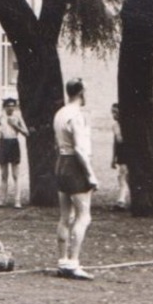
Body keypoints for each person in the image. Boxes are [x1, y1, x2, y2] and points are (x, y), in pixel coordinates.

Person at [52, 78, 100, 280]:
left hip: (61, 162)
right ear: (81, 92)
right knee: (83, 216)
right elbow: (80, 148)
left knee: (65, 216)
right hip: (74, 165)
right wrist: (90, 174)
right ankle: (73, 262)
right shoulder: (76, 115)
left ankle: (63, 260)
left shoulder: (60, 113)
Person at [0, 95, 29, 208]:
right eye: (8, 106)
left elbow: (26, 133)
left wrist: (15, 126)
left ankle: (17, 200)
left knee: (15, 174)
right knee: (4, 174)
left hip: (13, 143)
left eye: (13, 106)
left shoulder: (17, 117)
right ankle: (2, 200)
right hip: (3, 144)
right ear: (4, 107)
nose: (11, 108)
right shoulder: (0, 117)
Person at [109, 103, 132, 211]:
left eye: (116, 112)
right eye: (112, 112)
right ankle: (122, 199)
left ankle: (121, 200)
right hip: (122, 154)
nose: (114, 115)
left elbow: (120, 140)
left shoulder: (124, 125)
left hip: (127, 153)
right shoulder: (115, 125)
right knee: (123, 177)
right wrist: (113, 158)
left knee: (123, 177)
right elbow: (116, 142)